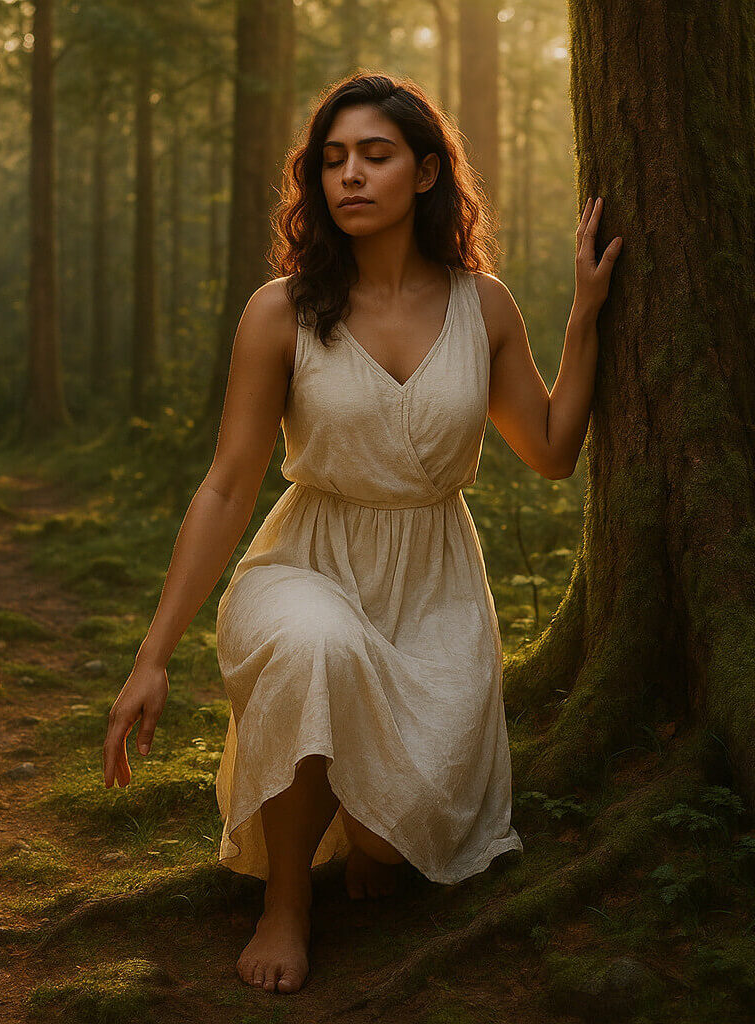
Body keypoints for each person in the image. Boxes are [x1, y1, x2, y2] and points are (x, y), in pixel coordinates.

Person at [101, 72, 621, 995]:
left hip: (434, 588)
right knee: (316, 647)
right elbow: (227, 485)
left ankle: (366, 834)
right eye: (333, 159)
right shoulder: (282, 310)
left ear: (426, 174)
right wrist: (154, 653)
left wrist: (584, 313)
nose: (350, 175)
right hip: (305, 562)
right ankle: (287, 901)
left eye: (375, 156)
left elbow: (549, 449)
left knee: (396, 836)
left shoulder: (483, 305)